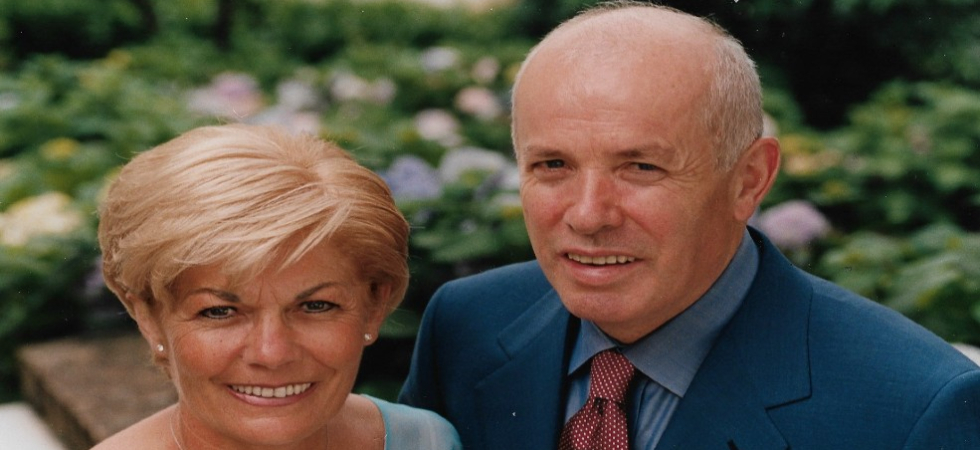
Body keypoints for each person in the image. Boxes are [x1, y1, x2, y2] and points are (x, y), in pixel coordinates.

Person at [399, 2, 980, 449]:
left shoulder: (913, 410)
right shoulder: (466, 327)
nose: (588, 215)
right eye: (553, 165)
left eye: (641, 167)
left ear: (749, 180)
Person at [94, 124, 460, 450]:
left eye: (316, 306)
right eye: (220, 311)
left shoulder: (427, 442)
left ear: (374, 305)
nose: (272, 353)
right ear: (149, 317)